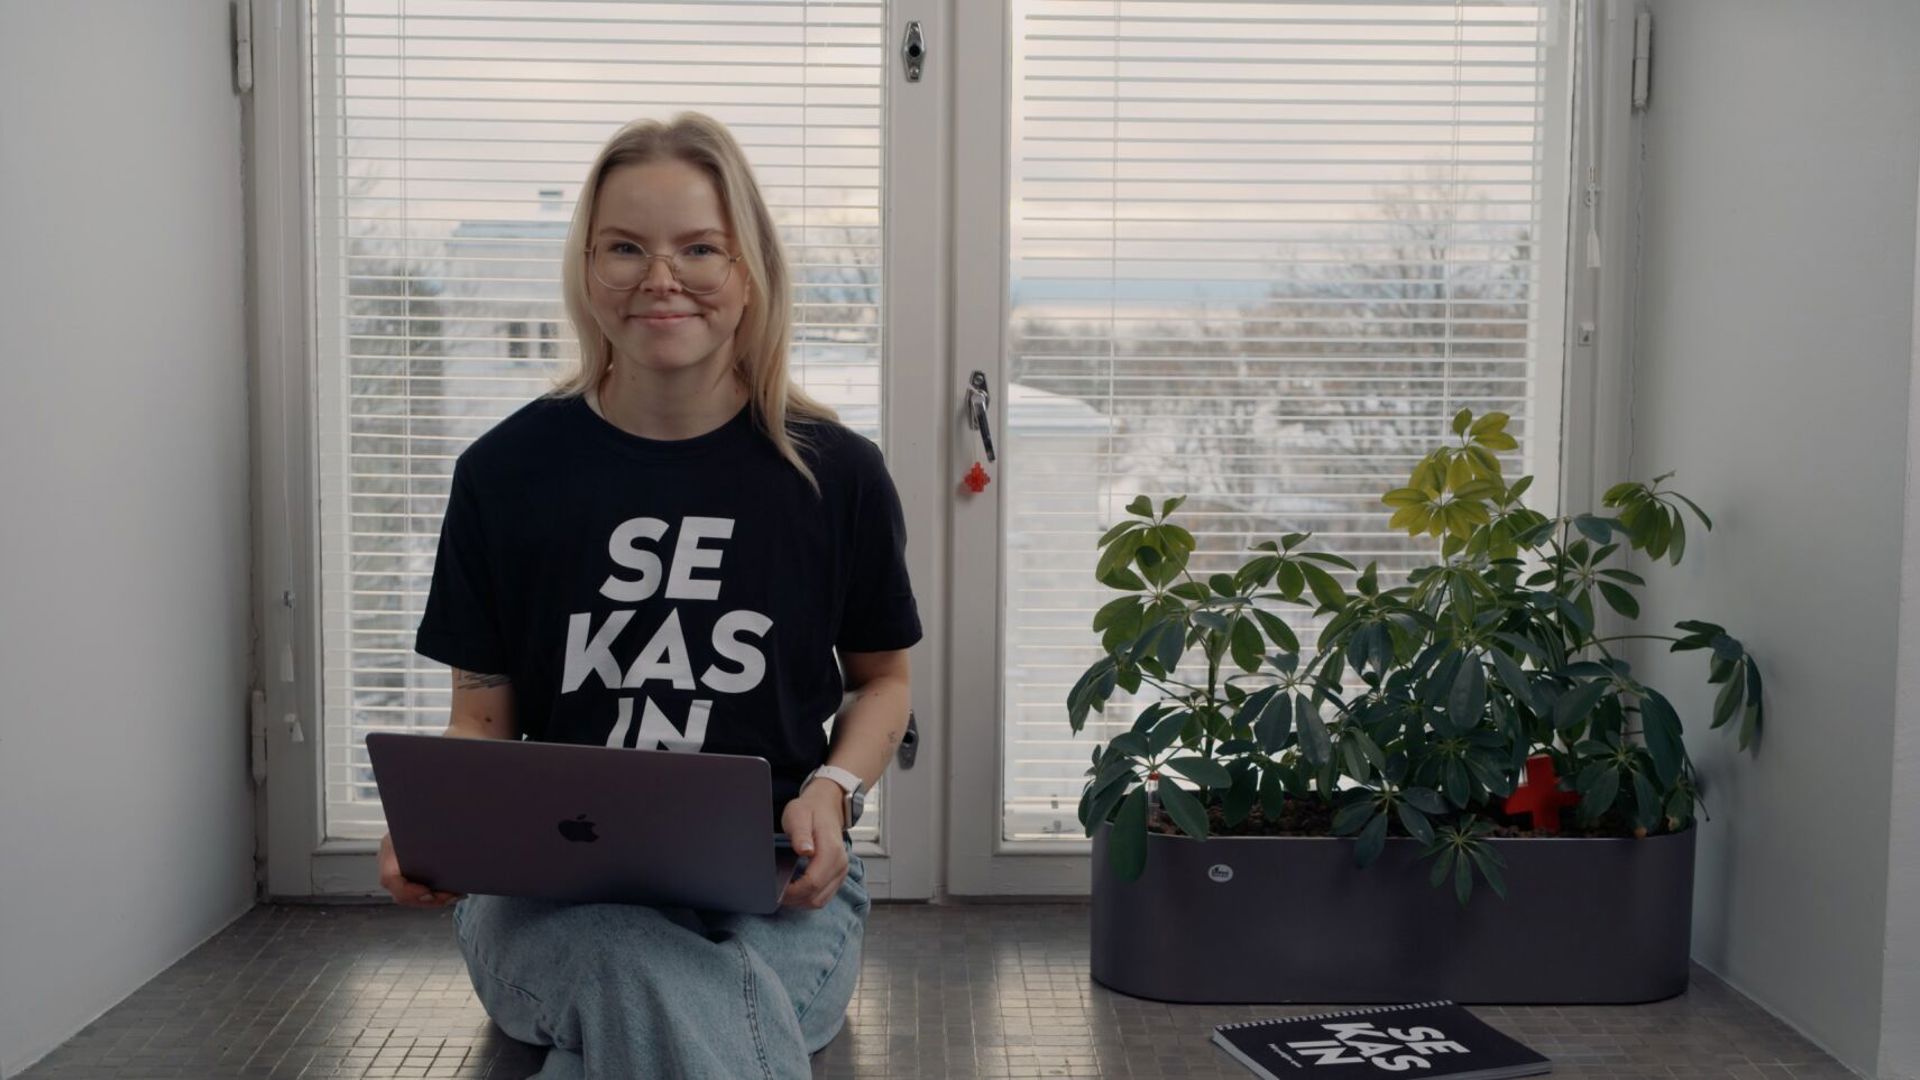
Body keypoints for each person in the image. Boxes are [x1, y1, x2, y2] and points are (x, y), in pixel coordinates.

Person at [375, 111, 923, 1080]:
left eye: (699, 248)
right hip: (551, 906)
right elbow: (482, 719)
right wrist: (435, 829)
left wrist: (832, 794)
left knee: (651, 1007)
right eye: (625, 247)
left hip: (776, 898)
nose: (659, 278)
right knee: (637, 967)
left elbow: (882, 680)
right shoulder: (504, 474)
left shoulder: (836, 474)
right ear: (587, 270)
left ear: (749, 270)